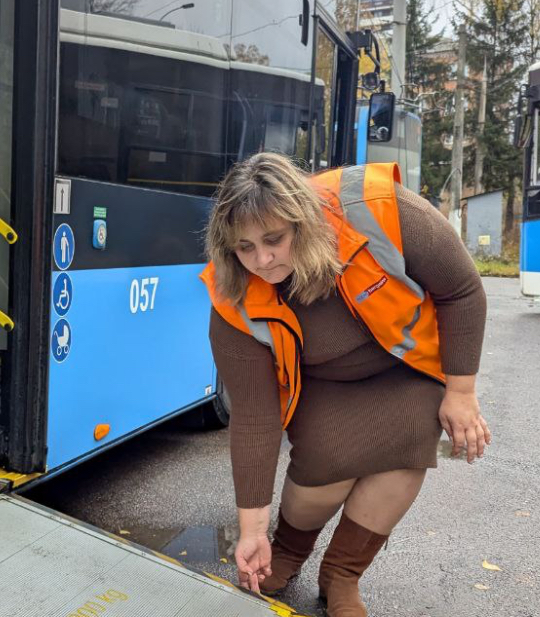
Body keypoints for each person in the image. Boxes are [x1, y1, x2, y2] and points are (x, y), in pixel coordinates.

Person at [201, 153, 490, 617]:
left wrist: (461, 393)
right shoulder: (231, 295)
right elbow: (254, 417)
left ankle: (342, 574)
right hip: (322, 382)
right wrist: (250, 529)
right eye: (244, 247)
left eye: (274, 239)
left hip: (402, 367)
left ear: (303, 221)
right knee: (326, 460)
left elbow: (462, 290)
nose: (263, 259)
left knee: (408, 443)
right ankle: (288, 552)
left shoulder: (377, 209)